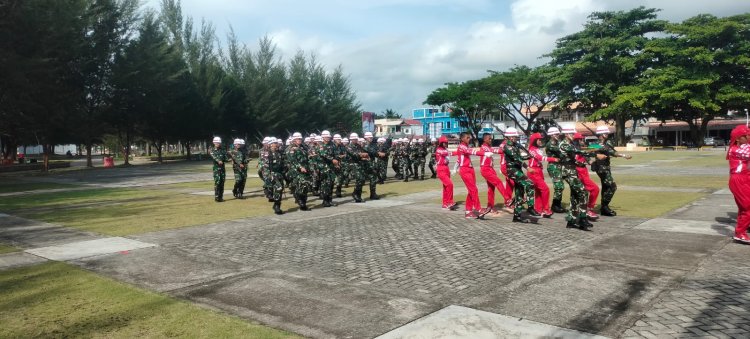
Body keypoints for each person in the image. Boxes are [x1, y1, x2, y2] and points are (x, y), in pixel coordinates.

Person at [592, 125, 631, 216]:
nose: (607, 134)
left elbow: (613, 151)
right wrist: (624, 156)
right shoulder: (595, 144)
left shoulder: (607, 143)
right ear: (601, 134)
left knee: (605, 187)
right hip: (601, 169)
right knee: (612, 187)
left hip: (607, 168)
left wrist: (623, 155)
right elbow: (589, 153)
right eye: (605, 133)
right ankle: (605, 206)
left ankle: (603, 208)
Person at [559, 127, 593, 230]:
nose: (573, 135)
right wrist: (592, 152)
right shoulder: (564, 144)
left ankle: (571, 221)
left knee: (575, 196)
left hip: (573, 172)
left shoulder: (571, 144)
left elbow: (573, 159)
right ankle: (582, 218)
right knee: (583, 192)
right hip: (568, 173)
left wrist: (583, 162)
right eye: (571, 133)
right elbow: (577, 151)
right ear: (566, 134)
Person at [502, 128, 539, 222]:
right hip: (512, 170)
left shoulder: (516, 146)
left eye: (515, 136)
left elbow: (524, 156)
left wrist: (527, 153)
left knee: (520, 192)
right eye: (514, 136)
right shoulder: (507, 147)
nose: (516, 138)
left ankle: (517, 216)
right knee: (530, 184)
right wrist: (528, 168)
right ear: (509, 137)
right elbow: (517, 159)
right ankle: (530, 207)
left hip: (518, 169)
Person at [456, 132, 491, 219]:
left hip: (470, 169)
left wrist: (455, 167)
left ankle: (468, 211)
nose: (469, 139)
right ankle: (478, 208)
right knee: (474, 189)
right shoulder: (461, 146)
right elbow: (471, 151)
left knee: (471, 190)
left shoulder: (465, 146)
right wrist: (484, 153)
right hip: (465, 170)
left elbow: (460, 158)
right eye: (467, 137)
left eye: (469, 137)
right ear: (462, 139)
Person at [727, 125, 750, 244]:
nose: (748, 137)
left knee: (744, 208)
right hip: (739, 180)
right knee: (748, 208)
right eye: (745, 135)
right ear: (737, 139)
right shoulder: (737, 149)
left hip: (744, 178)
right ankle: (740, 233)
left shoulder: (738, 147)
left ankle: (741, 230)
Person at [527, 132, 558, 218]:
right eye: (539, 140)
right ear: (534, 140)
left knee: (539, 191)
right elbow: (540, 158)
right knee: (545, 189)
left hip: (539, 171)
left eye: (541, 140)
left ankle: (538, 209)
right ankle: (546, 209)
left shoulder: (537, 149)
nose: (541, 141)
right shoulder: (532, 149)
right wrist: (553, 159)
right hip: (533, 171)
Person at [479, 133, 511, 214]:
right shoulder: (483, 147)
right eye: (489, 138)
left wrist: (505, 150)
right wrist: (502, 150)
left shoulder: (489, 147)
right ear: (484, 139)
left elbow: (496, 150)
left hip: (490, 169)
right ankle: (507, 199)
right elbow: (493, 151)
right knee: (499, 182)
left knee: (491, 189)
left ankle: (490, 207)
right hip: (485, 169)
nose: (491, 140)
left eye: (491, 138)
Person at [573, 133, 600, 220]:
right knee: (595, 189)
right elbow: (577, 161)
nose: (582, 141)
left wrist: (594, 162)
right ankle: (588, 209)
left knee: (582, 193)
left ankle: (582, 210)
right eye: (580, 139)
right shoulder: (575, 151)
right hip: (579, 173)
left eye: (583, 139)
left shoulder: (582, 149)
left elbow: (595, 148)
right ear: (576, 141)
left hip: (584, 172)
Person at [286, 132, 312, 211]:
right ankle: (301, 203)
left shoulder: (303, 147)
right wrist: (300, 167)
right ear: (294, 140)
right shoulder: (291, 149)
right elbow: (292, 160)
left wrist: (310, 156)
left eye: (300, 139)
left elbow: (306, 156)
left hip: (306, 170)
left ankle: (302, 201)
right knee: (301, 185)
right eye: (298, 139)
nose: (299, 140)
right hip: (296, 170)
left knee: (306, 186)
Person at [545, 127, 567, 213]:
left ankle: (557, 204)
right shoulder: (550, 144)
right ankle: (555, 205)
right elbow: (561, 152)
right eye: (556, 134)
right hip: (553, 166)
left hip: (559, 166)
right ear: (551, 135)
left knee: (560, 186)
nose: (558, 135)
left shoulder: (557, 143)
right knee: (559, 186)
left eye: (558, 134)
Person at [435, 136, 458, 210]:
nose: (445, 144)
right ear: (441, 143)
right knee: (449, 184)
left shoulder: (445, 149)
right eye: (444, 142)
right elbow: (448, 153)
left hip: (446, 168)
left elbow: (449, 153)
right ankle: (450, 202)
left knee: (445, 187)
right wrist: (459, 151)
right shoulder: (439, 150)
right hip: (441, 169)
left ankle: (445, 204)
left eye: (446, 142)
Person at [346, 133, 368, 202]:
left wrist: (364, 157)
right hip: (352, 164)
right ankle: (356, 194)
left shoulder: (358, 146)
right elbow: (354, 154)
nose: (355, 140)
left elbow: (363, 153)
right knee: (359, 178)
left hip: (359, 164)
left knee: (361, 180)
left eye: (356, 139)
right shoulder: (349, 147)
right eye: (354, 139)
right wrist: (361, 154)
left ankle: (358, 195)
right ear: (351, 139)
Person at [267, 138, 286, 214]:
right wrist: (269, 174)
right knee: (278, 188)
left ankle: (277, 205)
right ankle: (277, 206)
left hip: (280, 174)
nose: (275, 144)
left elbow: (283, 162)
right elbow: (265, 165)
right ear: (271, 144)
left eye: (276, 143)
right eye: (274, 143)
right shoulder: (267, 153)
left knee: (280, 189)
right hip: (272, 173)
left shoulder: (279, 153)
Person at [210, 136, 229, 202]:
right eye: (216, 143)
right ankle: (217, 197)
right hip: (216, 169)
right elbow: (214, 157)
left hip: (222, 169)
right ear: (214, 143)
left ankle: (220, 197)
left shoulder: (223, 150)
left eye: (219, 143)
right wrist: (218, 160)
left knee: (222, 182)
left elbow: (226, 158)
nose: (218, 144)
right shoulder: (212, 150)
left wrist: (231, 158)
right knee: (217, 182)